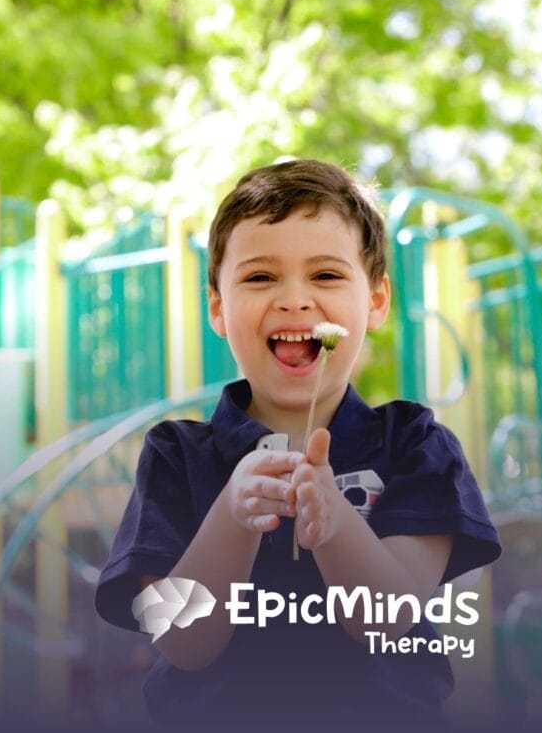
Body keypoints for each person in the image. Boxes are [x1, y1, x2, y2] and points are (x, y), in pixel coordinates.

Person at [95, 159, 501, 731]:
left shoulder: (416, 445)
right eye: (260, 277)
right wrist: (232, 518)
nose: (294, 300)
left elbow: (388, 618)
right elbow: (182, 641)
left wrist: (335, 522)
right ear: (217, 306)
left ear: (376, 301)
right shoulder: (175, 455)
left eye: (327, 276)